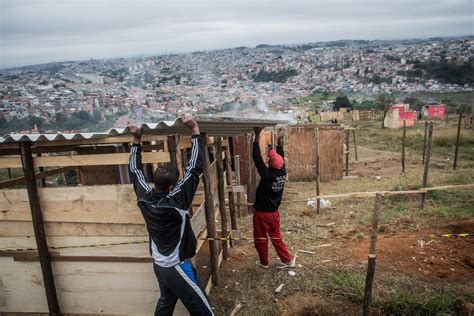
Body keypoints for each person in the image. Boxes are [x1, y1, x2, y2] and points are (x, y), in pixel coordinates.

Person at [128, 113, 213, 316]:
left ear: (154, 181)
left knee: (166, 304)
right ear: (173, 186)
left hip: (160, 265)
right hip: (176, 267)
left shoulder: (144, 198)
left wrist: (136, 140)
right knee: (205, 311)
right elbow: (193, 169)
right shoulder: (175, 203)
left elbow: (134, 170)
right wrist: (194, 130)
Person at [252, 127, 295, 269]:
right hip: (274, 213)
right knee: (276, 237)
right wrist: (279, 140)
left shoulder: (267, 174)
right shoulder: (282, 171)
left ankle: (264, 262)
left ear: (270, 163)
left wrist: (257, 136)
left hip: (262, 214)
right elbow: (279, 155)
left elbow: (257, 157)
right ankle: (287, 260)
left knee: (260, 239)